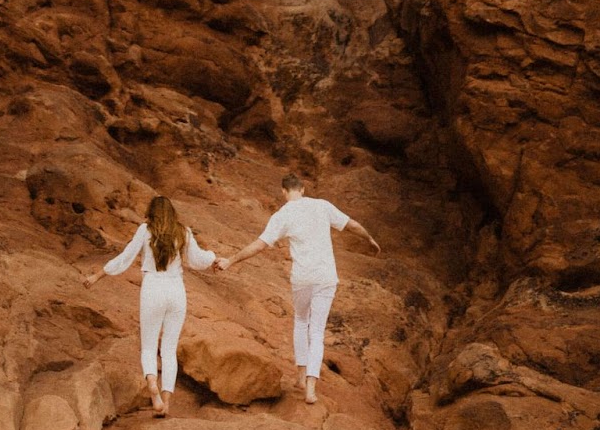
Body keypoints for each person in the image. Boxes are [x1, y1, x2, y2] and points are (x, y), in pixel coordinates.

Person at [218, 173, 380, 404]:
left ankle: (301, 376)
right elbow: (351, 225)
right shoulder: (322, 206)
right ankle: (311, 389)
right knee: (317, 331)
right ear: (303, 189)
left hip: (302, 278)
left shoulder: (282, 215)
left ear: (284, 192)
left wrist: (231, 260)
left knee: (301, 321)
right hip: (325, 277)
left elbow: (259, 245)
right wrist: (370, 238)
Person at [83, 194, 215, 417]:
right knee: (169, 349)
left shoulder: (145, 230)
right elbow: (198, 259)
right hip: (176, 290)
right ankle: (166, 402)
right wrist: (214, 258)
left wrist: (98, 275)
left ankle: (153, 387)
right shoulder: (183, 231)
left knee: (148, 346)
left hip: (153, 287)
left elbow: (126, 257)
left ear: (151, 212)